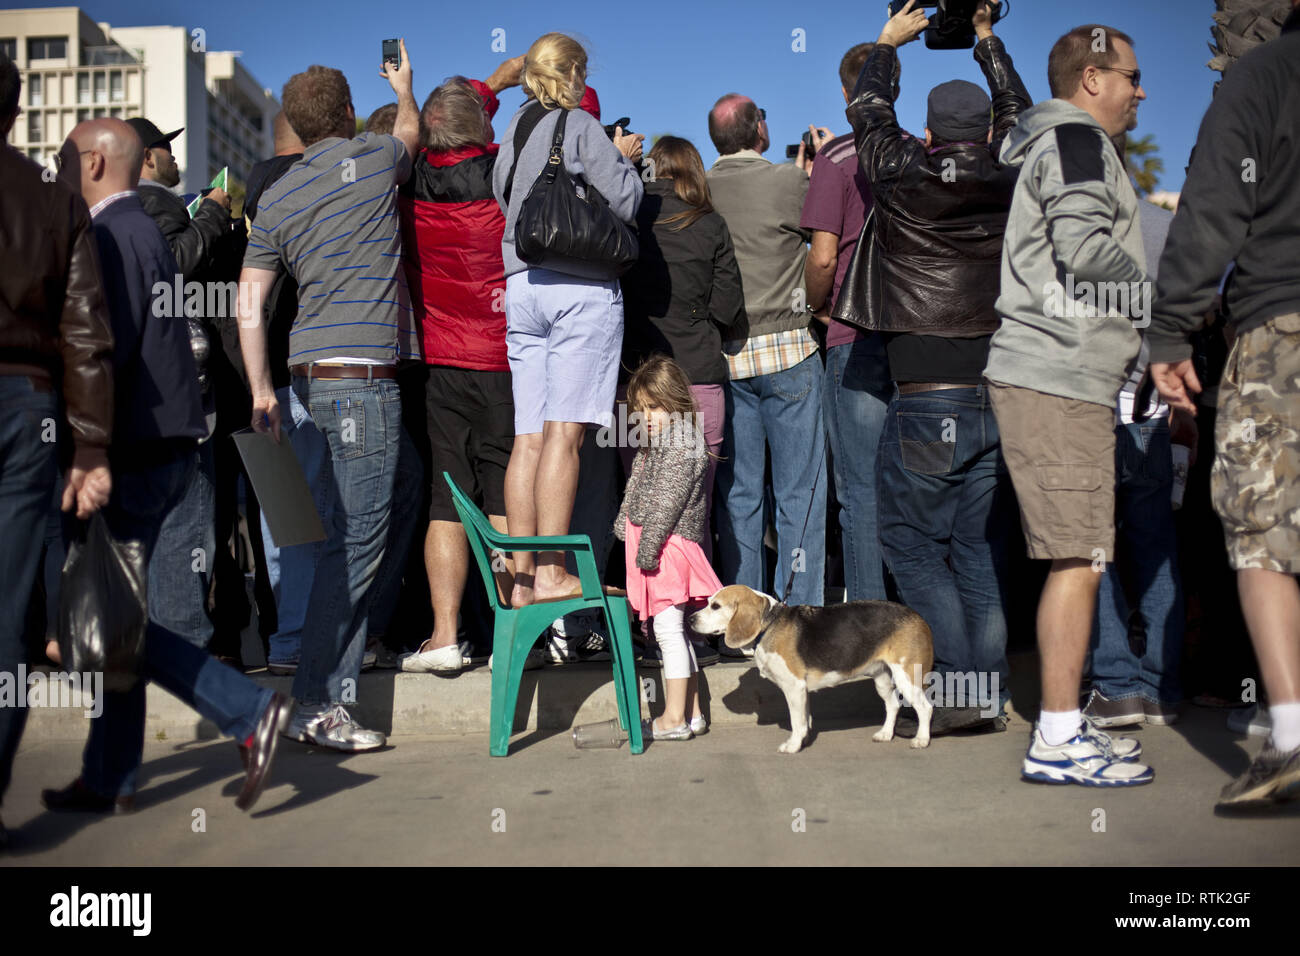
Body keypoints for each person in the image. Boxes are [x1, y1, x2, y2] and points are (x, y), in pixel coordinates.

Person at [41, 118, 292, 816]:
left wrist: (82, 448)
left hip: (133, 450)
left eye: (65, 160)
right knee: (113, 619)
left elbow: (102, 350)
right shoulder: (147, 228)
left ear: (94, 162)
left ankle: (244, 711)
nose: (58, 172)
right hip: (169, 442)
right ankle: (109, 775)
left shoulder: (115, 235)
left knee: (104, 624)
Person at [845, 0, 1027, 733]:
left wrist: (890, 41)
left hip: (926, 396)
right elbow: (1017, 110)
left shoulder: (902, 172)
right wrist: (985, 39)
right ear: (985, 134)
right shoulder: (1014, 168)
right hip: (994, 390)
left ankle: (960, 688)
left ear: (928, 134)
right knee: (977, 548)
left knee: (913, 548)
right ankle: (984, 693)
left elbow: (868, 106)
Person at [237, 45, 422, 751]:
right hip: (361, 380)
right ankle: (319, 702)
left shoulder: (277, 196)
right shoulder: (375, 159)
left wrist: (262, 389)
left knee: (394, 495)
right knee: (354, 544)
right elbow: (411, 133)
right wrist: (404, 88)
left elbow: (249, 303)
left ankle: (348, 651)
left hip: (310, 375)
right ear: (347, 115)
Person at [983, 23, 1152, 786]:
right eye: (1130, 77)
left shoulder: (1061, 145)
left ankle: (1062, 723)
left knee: (1073, 555)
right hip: (1059, 377)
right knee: (1078, 559)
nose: (1139, 92)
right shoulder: (1080, 143)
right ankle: (1055, 738)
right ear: (1091, 78)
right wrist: (1166, 301)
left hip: (1056, 375)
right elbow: (1084, 251)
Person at [1147, 0, 1300, 807]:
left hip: (1281, 325)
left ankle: (1293, 735)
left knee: (1264, 533)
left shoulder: (1261, 77)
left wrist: (1171, 327)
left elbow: (1212, 205)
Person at [0, 54, 115, 850]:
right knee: (8, 616)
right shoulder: (52, 200)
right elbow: (84, 335)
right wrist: (89, 445)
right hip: (26, 405)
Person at [491, 32, 643, 608]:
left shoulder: (514, 130)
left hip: (520, 285)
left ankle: (523, 576)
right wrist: (622, 161)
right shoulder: (577, 124)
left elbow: (508, 201)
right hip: (577, 289)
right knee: (565, 436)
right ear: (574, 73)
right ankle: (554, 573)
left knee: (528, 437)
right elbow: (625, 202)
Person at [397, 61, 525, 673]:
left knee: (446, 500)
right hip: (501, 359)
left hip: (440, 361)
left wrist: (409, 93)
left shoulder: (410, 179)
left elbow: (450, 120)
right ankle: (511, 633)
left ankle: (444, 636)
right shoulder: (504, 174)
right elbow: (470, 121)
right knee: (504, 495)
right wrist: (498, 86)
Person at [127, 116, 249, 665]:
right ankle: (186, 655)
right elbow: (176, 266)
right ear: (148, 158)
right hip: (183, 400)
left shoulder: (116, 213)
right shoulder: (155, 205)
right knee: (188, 530)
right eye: (167, 151)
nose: (176, 160)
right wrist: (214, 216)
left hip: (140, 400)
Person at [706, 91, 827, 614]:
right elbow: (823, 245)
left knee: (740, 495)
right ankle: (798, 613)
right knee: (800, 494)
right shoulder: (787, 180)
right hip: (791, 351)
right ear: (759, 131)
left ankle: (740, 614)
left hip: (728, 358)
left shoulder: (701, 188)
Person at [1083, 195, 1189, 729]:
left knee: (1088, 550)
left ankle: (1117, 684)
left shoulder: (1074, 217)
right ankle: (1161, 687)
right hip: (1150, 405)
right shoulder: (1165, 225)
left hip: (1091, 405)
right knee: (1154, 547)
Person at [620, 135, 745, 558]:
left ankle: (645, 615)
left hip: (638, 384)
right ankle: (691, 616)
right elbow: (727, 309)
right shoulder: (711, 224)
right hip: (698, 379)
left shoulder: (628, 218)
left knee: (638, 506)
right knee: (695, 512)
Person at [801, 41, 894, 605]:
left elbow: (822, 257)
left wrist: (817, 306)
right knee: (914, 488)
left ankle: (868, 627)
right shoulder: (918, 151)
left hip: (852, 334)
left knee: (858, 492)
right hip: (915, 336)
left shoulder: (834, 159)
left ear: (844, 94)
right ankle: (917, 625)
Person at [615, 357, 721, 739]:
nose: (648, 417)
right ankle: (691, 714)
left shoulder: (680, 443)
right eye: (641, 410)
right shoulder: (661, 442)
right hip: (660, 546)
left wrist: (647, 550)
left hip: (666, 550)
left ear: (676, 401)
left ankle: (673, 718)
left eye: (656, 407)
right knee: (674, 630)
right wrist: (623, 523)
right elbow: (637, 487)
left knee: (668, 631)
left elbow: (666, 503)